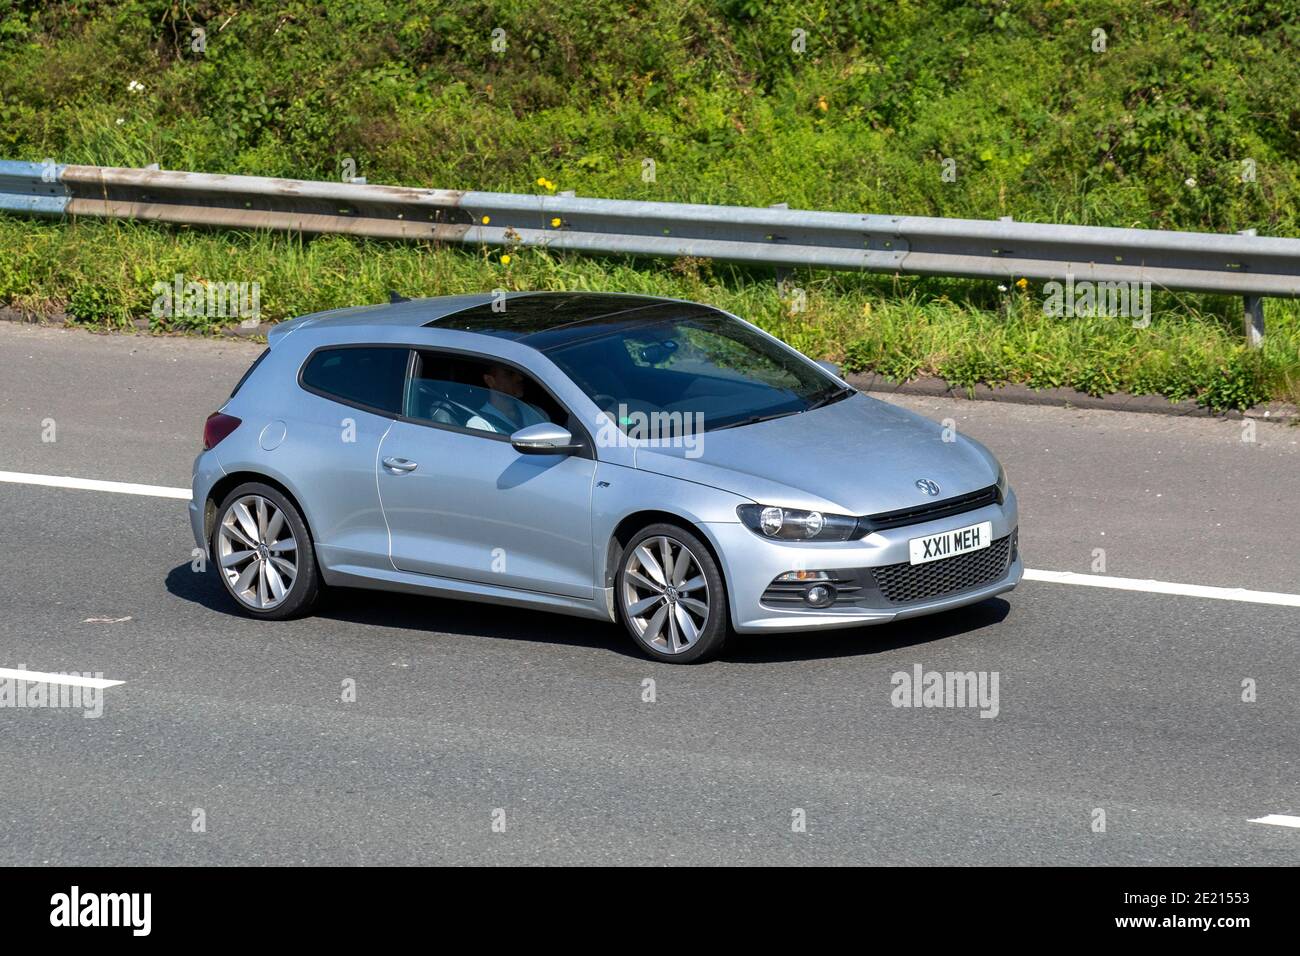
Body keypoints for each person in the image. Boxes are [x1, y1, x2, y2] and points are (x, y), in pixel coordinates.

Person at [466, 363, 550, 434]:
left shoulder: (537, 413)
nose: (520, 378)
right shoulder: (479, 425)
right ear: (490, 381)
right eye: (510, 373)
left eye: (519, 372)